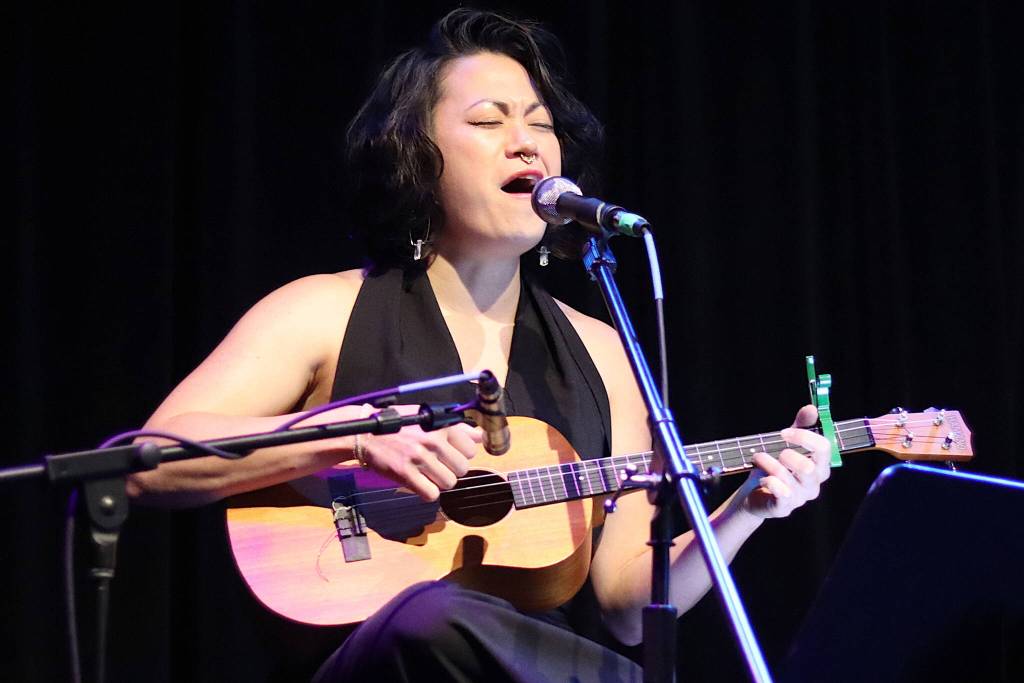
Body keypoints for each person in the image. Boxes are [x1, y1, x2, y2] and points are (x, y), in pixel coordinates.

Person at [127, 9, 832, 681]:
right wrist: (341, 438)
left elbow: (624, 602)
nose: (526, 142)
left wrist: (745, 508)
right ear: (416, 154)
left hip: (525, 663)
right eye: (488, 121)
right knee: (431, 616)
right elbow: (147, 459)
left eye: (540, 124)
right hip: (367, 660)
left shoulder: (603, 349)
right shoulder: (323, 309)